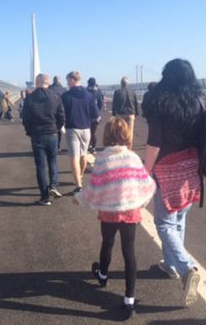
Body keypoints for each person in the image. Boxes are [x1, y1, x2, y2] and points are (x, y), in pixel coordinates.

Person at [73, 117, 156, 319]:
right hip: (130, 212)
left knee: (107, 243)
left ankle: (102, 274)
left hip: (108, 212)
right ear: (126, 135)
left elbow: (94, 187)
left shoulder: (102, 158)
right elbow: (147, 184)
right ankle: (129, 299)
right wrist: (140, 201)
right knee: (129, 251)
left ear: (107, 135)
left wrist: (79, 198)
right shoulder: (133, 158)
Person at [141, 58, 204, 306]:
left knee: (165, 223)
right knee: (180, 217)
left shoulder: (161, 102)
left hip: (167, 167)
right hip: (192, 165)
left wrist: (146, 171)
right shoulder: (199, 101)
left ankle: (186, 267)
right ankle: (170, 264)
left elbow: (155, 142)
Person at [22, 73, 65, 205]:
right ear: (47, 82)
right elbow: (61, 116)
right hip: (52, 134)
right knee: (53, 162)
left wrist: (29, 131)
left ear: (37, 82)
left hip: (37, 135)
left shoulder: (30, 98)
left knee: (40, 166)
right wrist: (57, 129)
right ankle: (53, 185)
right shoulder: (55, 97)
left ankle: (45, 197)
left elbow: (26, 118)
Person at [62, 71, 99, 193]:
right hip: (86, 129)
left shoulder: (66, 96)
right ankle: (80, 177)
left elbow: (61, 113)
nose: (67, 83)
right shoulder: (89, 95)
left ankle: (78, 185)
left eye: (68, 80)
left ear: (72, 80)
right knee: (83, 154)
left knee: (74, 156)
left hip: (72, 128)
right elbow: (95, 114)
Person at [112, 76, 139, 143]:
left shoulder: (117, 92)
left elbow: (114, 103)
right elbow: (136, 102)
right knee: (130, 130)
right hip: (130, 113)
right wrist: (137, 113)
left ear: (121, 83)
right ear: (128, 84)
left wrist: (114, 114)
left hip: (120, 114)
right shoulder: (132, 92)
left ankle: (121, 144)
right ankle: (129, 145)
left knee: (120, 130)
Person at [49, 76, 68, 150]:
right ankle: (58, 146)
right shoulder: (64, 90)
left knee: (51, 129)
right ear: (59, 81)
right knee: (59, 129)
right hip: (61, 112)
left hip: (51, 112)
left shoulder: (49, 89)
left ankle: (52, 145)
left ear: (53, 80)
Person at [86, 77, 104, 153]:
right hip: (95, 115)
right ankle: (93, 148)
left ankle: (88, 146)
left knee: (87, 132)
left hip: (87, 114)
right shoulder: (99, 92)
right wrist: (97, 111)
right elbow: (100, 103)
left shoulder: (85, 91)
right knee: (93, 133)